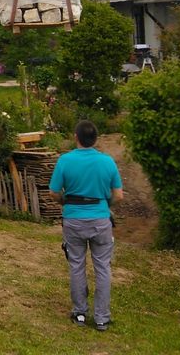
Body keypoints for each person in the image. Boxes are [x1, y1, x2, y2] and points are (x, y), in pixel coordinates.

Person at [49, 120, 124, 331]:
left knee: (76, 265)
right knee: (102, 268)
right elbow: (118, 195)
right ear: (96, 139)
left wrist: (66, 202)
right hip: (100, 220)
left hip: (73, 220)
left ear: (76, 137)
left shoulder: (65, 160)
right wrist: (103, 205)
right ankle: (101, 318)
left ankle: (80, 313)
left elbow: (54, 192)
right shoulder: (107, 162)